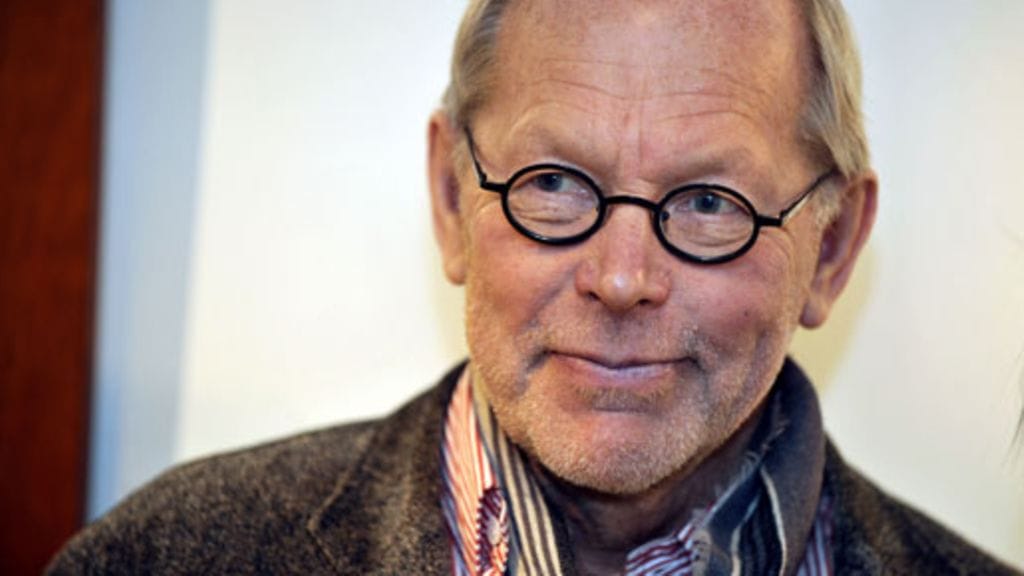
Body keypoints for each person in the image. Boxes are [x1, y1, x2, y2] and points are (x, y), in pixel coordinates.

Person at [48, 0, 1020, 574]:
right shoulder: (163, 557)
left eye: (707, 202)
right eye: (553, 184)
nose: (622, 278)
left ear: (833, 246)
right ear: (451, 196)